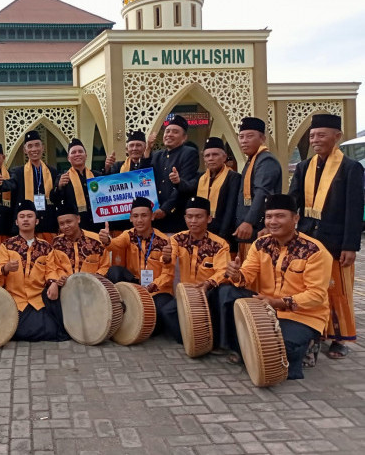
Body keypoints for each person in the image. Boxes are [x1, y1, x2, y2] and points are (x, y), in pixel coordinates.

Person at [223, 194, 332, 379]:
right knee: (225, 292)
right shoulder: (260, 244)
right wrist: (235, 274)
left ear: (295, 219)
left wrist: (277, 302)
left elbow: (316, 295)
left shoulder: (315, 252)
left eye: (280, 216)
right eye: (269, 216)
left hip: (303, 315)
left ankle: (308, 346)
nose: (273, 221)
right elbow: (247, 276)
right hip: (267, 307)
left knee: (276, 347)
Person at [289, 114, 363, 360]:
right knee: (310, 287)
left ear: (337, 136)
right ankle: (316, 329)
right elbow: (294, 201)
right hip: (308, 239)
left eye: (321, 135)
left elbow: (354, 210)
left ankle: (340, 338)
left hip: (336, 241)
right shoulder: (303, 166)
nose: (315, 140)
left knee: (337, 290)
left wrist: (350, 245)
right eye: (312, 136)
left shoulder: (351, 168)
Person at [155, 196, 232, 344]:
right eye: (189, 217)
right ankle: (192, 341)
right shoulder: (177, 239)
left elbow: (223, 271)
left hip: (208, 293)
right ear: (184, 218)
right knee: (167, 312)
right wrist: (165, 258)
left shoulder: (220, 244)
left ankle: (210, 341)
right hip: (186, 295)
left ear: (209, 219)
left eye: (198, 217)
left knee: (214, 314)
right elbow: (169, 261)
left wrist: (208, 284)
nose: (193, 221)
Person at [0, 200, 69, 341]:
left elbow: (51, 270)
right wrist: (6, 268)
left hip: (37, 300)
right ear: (16, 222)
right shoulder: (7, 245)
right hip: (15, 300)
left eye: (29, 216)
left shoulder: (45, 247)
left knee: (52, 330)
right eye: (22, 217)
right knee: (22, 330)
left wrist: (53, 283)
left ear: (37, 221)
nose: (26, 219)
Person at [100, 197, 174, 336]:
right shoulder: (128, 235)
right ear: (130, 218)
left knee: (156, 317)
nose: (139, 220)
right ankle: (118, 310)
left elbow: (168, 274)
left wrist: (153, 285)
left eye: (144, 215)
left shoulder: (165, 241)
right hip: (135, 285)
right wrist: (107, 240)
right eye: (135, 216)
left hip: (157, 290)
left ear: (152, 216)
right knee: (114, 271)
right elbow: (114, 244)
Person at [234, 117, 282, 261]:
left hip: (258, 228)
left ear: (262, 139)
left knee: (258, 277)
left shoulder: (266, 160)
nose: (244, 141)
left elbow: (262, 193)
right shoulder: (252, 161)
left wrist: (249, 221)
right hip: (246, 231)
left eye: (249, 136)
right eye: (241, 137)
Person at [141, 115, 199, 233]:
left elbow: (183, 186)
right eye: (167, 131)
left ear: (184, 138)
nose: (169, 134)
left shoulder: (189, 153)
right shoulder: (157, 155)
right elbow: (143, 179)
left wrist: (165, 209)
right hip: (154, 218)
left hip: (175, 217)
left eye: (175, 132)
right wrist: (147, 151)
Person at [2, 130, 58, 242]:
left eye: (37, 145)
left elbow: (57, 195)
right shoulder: (18, 172)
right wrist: (1, 183)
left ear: (43, 147)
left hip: (48, 223)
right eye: (30, 146)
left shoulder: (52, 171)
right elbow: (11, 184)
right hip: (26, 226)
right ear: (25, 150)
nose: (34, 149)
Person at [195, 137, 242, 252]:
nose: (211, 158)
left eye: (215, 155)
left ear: (224, 157)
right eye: (207, 155)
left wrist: (221, 237)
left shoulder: (233, 177)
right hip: (203, 233)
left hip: (225, 234)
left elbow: (230, 209)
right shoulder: (202, 178)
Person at [50, 201, 110, 285]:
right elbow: (54, 266)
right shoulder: (56, 243)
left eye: (69, 222)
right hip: (66, 287)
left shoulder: (96, 240)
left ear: (78, 219)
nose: (66, 226)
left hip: (93, 287)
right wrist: (60, 278)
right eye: (62, 224)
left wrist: (94, 279)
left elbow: (105, 266)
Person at [103, 129, 148, 237]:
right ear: (127, 149)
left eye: (138, 145)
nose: (134, 149)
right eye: (131, 145)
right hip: (121, 222)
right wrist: (107, 168)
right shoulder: (118, 166)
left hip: (143, 221)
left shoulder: (150, 165)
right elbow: (107, 187)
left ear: (144, 147)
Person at [52, 138, 102, 233]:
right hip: (76, 228)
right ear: (68, 158)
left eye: (80, 151)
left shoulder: (97, 176)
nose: (77, 154)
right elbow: (54, 199)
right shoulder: (64, 178)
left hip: (98, 225)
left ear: (86, 155)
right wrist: (59, 186)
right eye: (73, 152)